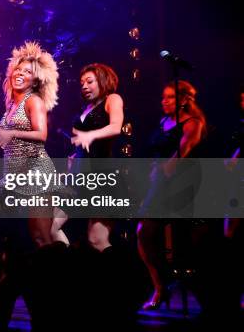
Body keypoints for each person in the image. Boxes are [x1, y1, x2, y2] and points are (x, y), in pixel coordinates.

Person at [0, 41, 67, 252]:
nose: (21, 73)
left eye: (28, 72)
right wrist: (0, 140)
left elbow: (41, 134)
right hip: (14, 175)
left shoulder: (34, 101)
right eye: (18, 69)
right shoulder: (11, 104)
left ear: (36, 79)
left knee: (41, 238)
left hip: (36, 172)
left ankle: (57, 283)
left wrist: (11, 133)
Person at [136, 80, 207, 310]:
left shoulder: (193, 123)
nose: (164, 101)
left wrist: (164, 168)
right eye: (163, 97)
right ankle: (160, 286)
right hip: (158, 185)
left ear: (184, 100)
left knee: (183, 243)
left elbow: (182, 153)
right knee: (143, 234)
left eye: (170, 97)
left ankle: (189, 288)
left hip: (181, 186)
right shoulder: (163, 121)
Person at [71, 63, 124, 252]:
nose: (84, 86)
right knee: (57, 227)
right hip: (83, 176)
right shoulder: (86, 108)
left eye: (89, 81)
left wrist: (91, 135)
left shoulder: (112, 99)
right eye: (82, 82)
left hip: (102, 174)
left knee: (97, 239)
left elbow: (116, 126)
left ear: (102, 80)